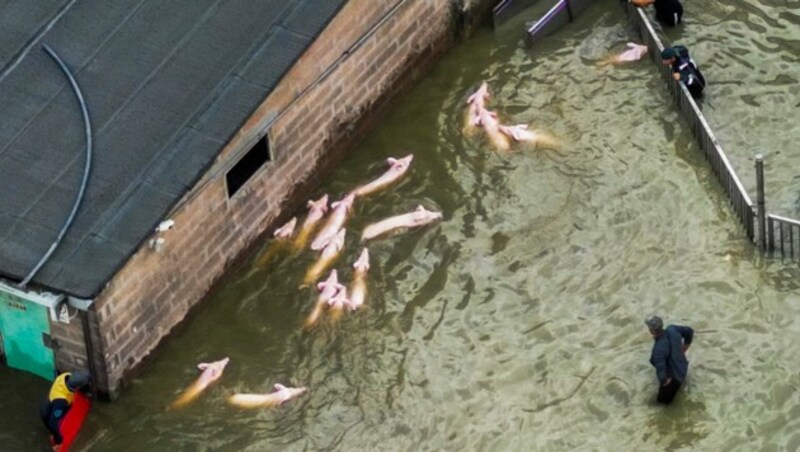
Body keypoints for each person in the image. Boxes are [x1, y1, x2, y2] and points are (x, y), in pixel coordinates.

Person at [645, 316, 694, 404]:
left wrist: (665, 381)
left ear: (652, 331)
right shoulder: (673, 329)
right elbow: (689, 331)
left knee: (660, 405)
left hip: (673, 380)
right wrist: (685, 346)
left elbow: (661, 373)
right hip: (683, 368)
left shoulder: (658, 349)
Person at [40, 371, 92, 451]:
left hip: (49, 402)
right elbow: (52, 423)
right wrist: (59, 440)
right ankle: (55, 441)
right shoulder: (61, 402)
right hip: (49, 413)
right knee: (53, 426)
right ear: (77, 387)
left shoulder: (65, 376)